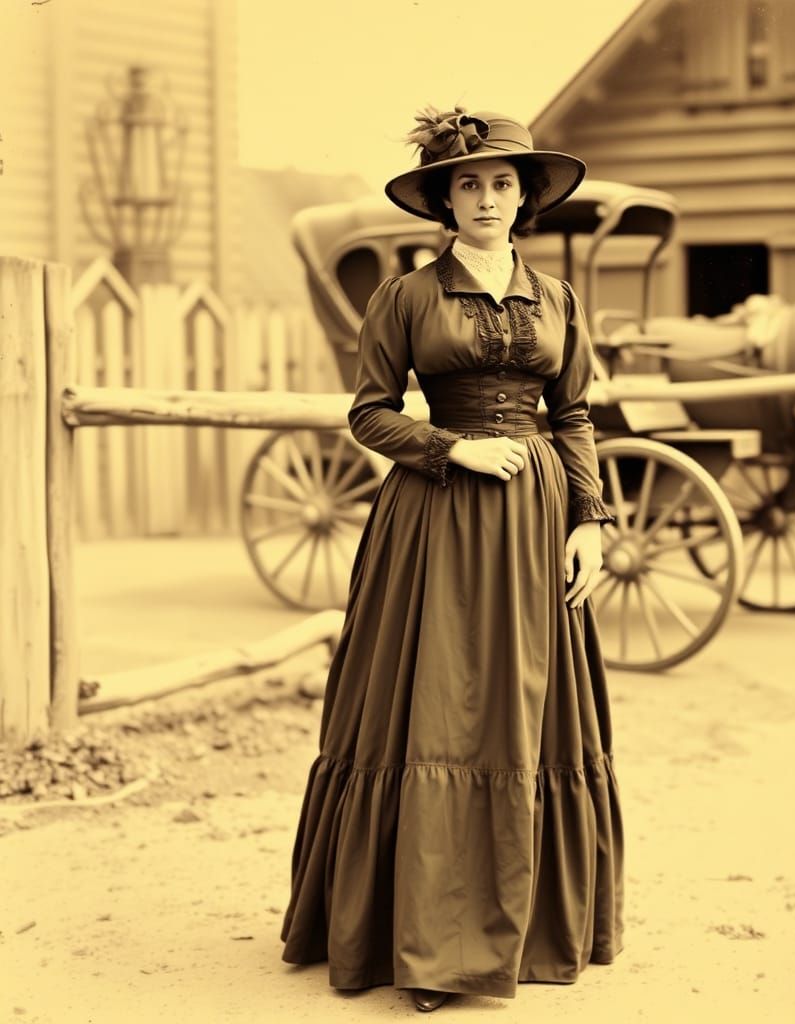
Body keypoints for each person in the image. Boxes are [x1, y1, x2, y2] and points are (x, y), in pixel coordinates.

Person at [279, 106, 624, 1013]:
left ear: (525, 197)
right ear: (443, 199)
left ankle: (531, 929)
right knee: (433, 707)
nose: (486, 199)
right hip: (432, 525)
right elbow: (367, 412)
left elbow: (577, 413)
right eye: (468, 184)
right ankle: (428, 945)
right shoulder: (405, 297)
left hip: (537, 521)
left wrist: (590, 520)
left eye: (502, 183)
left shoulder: (558, 301)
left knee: (524, 708)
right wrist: (448, 447)